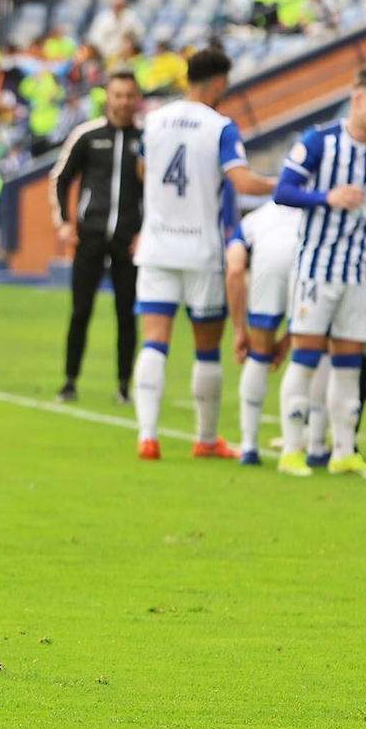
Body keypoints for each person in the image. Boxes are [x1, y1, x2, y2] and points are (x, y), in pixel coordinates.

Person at [132, 47, 275, 461]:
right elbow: (243, 183)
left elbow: (142, 171)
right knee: (206, 349)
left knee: (154, 343)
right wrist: (282, 182)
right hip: (201, 249)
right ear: (216, 82)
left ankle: (147, 436)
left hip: (157, 245)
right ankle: (205, 438)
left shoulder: (154, 120)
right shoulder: (220, 127)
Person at [272, 64, 366, 477]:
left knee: (350, 364)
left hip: (359, 273)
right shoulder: (319, 141)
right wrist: (326, 196)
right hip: (317, 269)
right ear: (358, 97)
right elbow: (283, 191)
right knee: (305, 359)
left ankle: (344, 452)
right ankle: (293, 450)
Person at [51, 70, 144, 405]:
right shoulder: (87, 135)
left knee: (127, 314)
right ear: (107, 97)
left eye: (129, 95)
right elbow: (60, 177)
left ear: (137, 99)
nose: (123, 102)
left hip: (128, 240)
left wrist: (145, 232)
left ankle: (123, 386)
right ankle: (69, 381)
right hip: (90, 236)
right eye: (117, 95)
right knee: (80, 311)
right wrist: (64, 221)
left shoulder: (145, 139)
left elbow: (154, 192)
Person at [225, 201, 305, 465]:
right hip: (304, 259)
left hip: (267, 261)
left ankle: (248, 445)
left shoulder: (255, 218)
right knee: (310, 355)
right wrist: (290, 339)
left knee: (258, 355)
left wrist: (239, 330)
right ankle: (313, 444)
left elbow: (235, 269)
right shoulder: (312, 212)